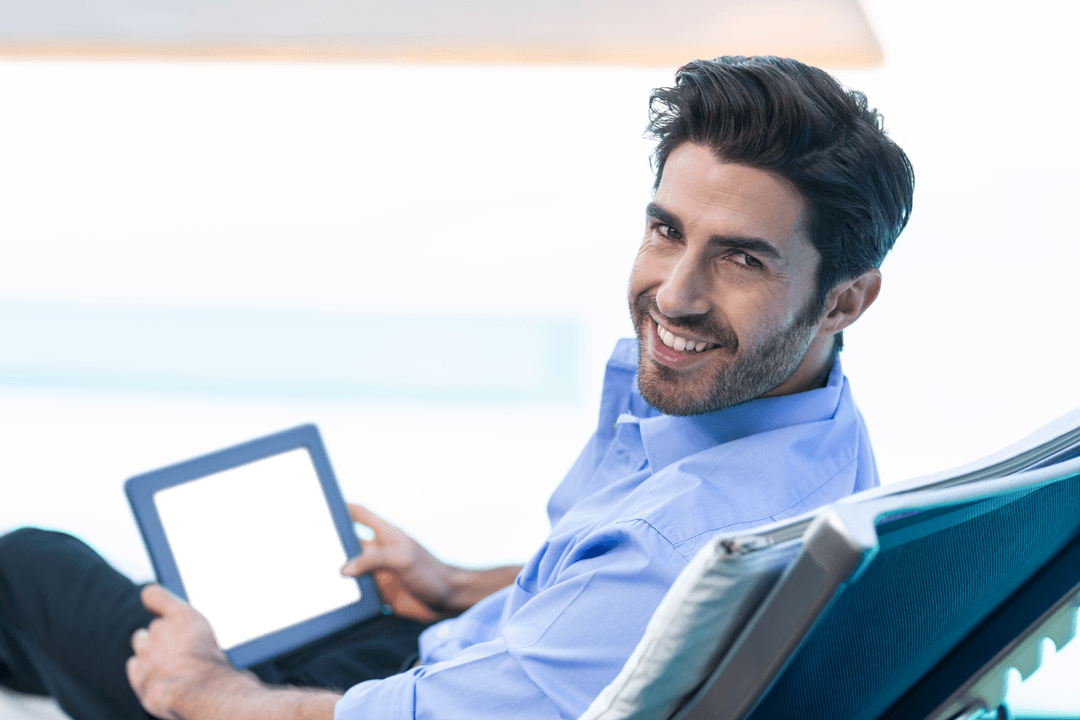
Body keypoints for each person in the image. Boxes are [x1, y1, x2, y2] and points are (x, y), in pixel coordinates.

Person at [0, 54, 913, 720]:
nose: (674, 296)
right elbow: (628, 612)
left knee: (35, 567)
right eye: (667, 231)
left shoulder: (670, 541)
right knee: (178, 611)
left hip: (385, 700)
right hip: (447, 652)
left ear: (847, 298)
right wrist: (456, 586)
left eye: (741, 258)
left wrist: (207, 693)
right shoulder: (809, 415)